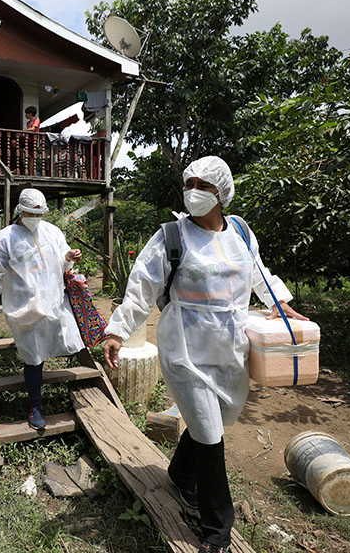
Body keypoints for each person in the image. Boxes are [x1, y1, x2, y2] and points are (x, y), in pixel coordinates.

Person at [102, 156, 308, 553]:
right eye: (189, 183)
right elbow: (141, 287)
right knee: (211, 438)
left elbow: (258, 273)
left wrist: (280, 303)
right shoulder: (172, 236)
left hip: (231, 347)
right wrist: (117, 330)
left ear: (222, 193)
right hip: (185, 349)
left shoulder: (241, 231)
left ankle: (180, 474)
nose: (193, 191)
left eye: (203, 185)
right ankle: (217, 531)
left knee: (215, 420)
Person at [0, 188, 83, 429]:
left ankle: (70, 391)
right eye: (31, 213)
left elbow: (61, 261)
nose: (35, 218)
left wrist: (69, 256)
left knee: (62, 342)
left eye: (39, 214)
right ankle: (35, 405)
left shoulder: (53, 232)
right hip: (23, 308)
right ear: (20, 211)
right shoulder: (4, 239)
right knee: (33, 356)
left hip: (53, 301)